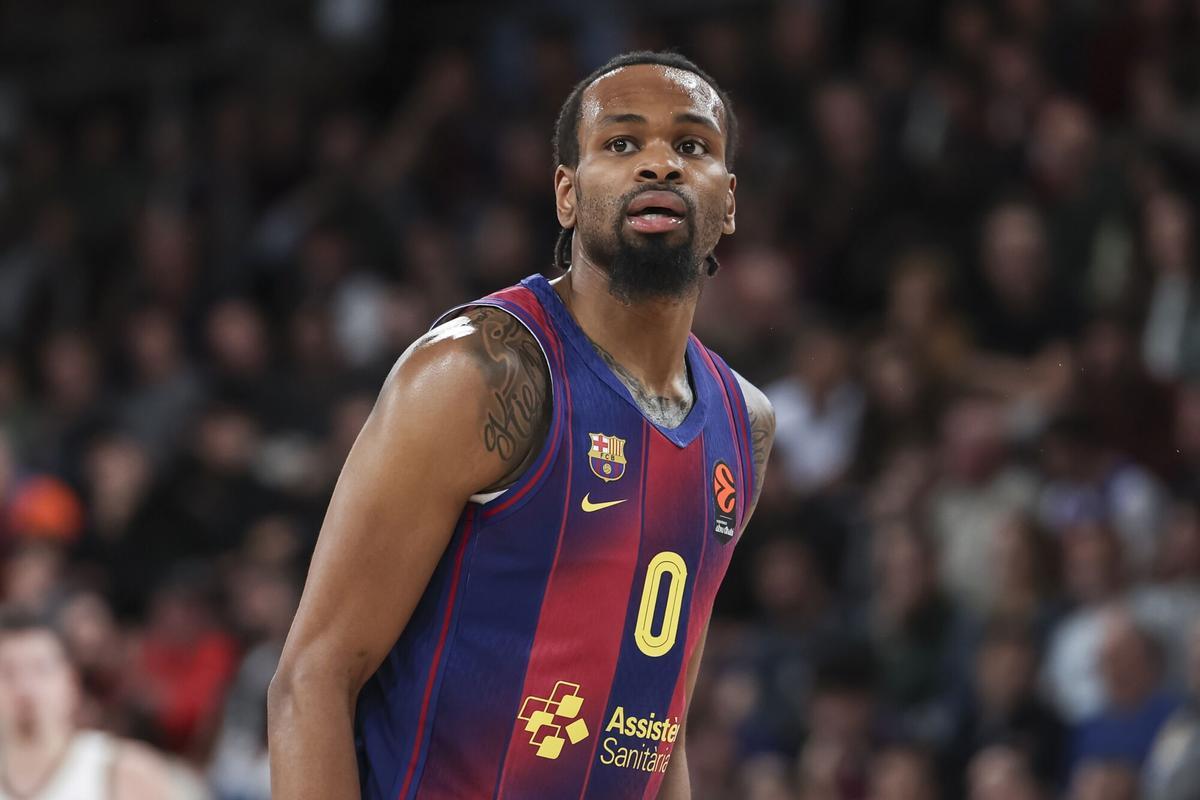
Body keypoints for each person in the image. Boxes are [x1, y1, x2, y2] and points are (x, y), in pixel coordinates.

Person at [268, 50, 775, 799]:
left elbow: (660, 729)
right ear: (567, 195)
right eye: (622, 143)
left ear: (728, 202)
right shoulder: (478, 371)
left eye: (691, 145)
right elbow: (311, 678)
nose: (660, 165)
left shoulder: (746, 426)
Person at [0, 608, 184, 799]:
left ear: (71, 682)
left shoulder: (121, 770)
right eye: (7, 672)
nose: (24, 686)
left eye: (41, 669)